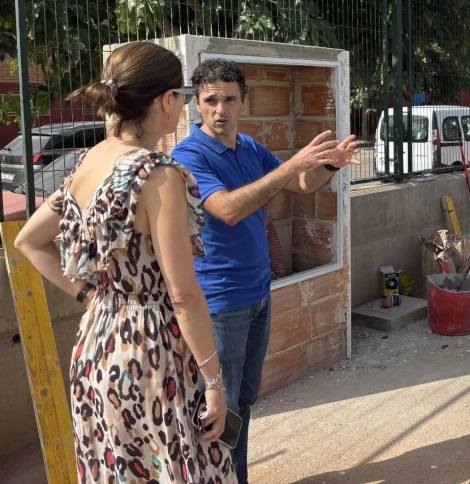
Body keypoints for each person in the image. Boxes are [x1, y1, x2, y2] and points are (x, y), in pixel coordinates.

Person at [14, 42, 237, 483]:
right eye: (183, 94)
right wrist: (214, 383)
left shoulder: (87, 162)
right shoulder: (158, 176)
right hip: (154, 355)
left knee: (118, 470)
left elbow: (28, 240)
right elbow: (183, 295)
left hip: (97, 347)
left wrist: (90, 294)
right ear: (167, 100)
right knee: (182, 465)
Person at [170, 58, 359, 483]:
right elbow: (227, 210)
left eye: (230, 99)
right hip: (220, 303)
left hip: (257, 295)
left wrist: (330, 165)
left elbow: (301, 185)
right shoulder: (187, 155)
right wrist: (292, 165)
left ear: (244, 102)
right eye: (211, 100)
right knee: (220, 408)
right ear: (196, 105)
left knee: (244, 402)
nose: (221, 109)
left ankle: (235, 477)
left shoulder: (250, 148)